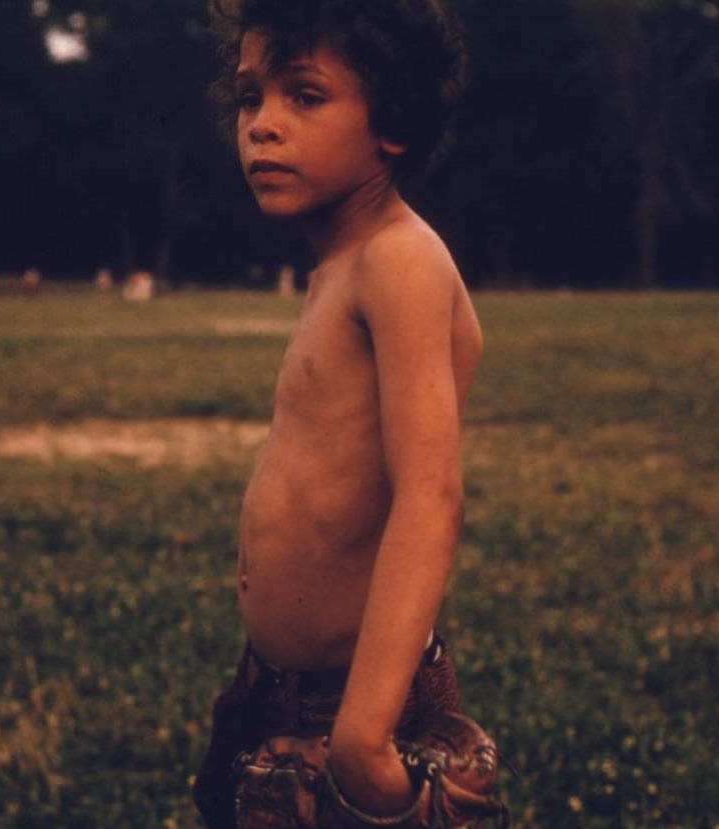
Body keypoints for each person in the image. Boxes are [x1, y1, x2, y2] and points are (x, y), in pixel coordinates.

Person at [194, 0, 480, 825]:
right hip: (274, 696)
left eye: (304, 96)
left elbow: (430, 494)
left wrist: (361, 736)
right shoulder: (341, 266)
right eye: (251, 97)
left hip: (350, 710)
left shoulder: (398, 260)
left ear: (390, 121)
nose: (263, 126)